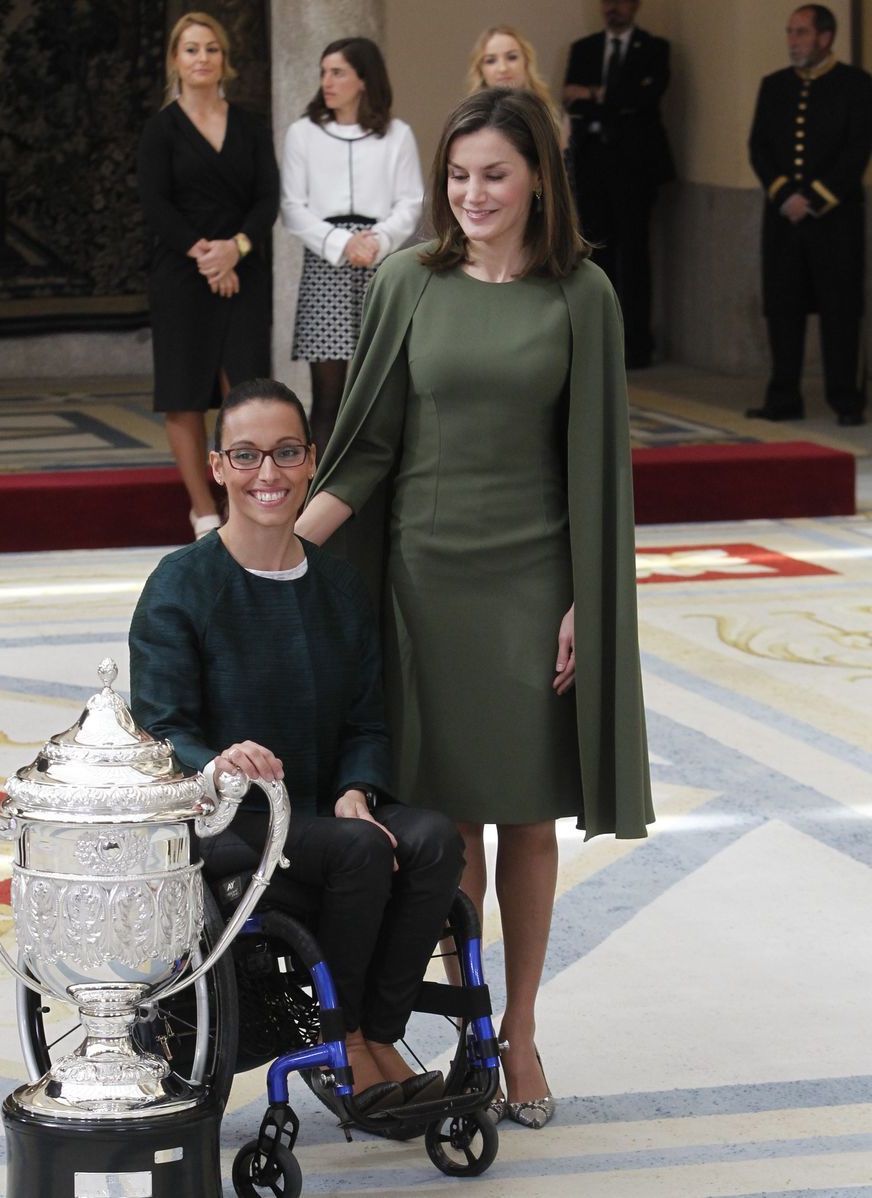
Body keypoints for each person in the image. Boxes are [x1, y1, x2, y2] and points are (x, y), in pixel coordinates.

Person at [296, 87, 653, 1130]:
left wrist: (588, 595)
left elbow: (598, 460)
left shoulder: (581, 294)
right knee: (447, 821)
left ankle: (523, 1025)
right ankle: (470, 1020)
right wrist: (267, 553)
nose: (473, 193)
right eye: (457, 177)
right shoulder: (408, 281)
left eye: (494, 173)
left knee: (529, 815)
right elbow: (365, 444)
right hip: (421, 579)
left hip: (534, 577)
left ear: (539, 175)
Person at [129, 378, 464, 1114]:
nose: (268, 474)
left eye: (285, 453)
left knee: (434, 838)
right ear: (217, 467)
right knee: (361, 851)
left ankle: (379, 1034)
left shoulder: (338, 589)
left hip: (322, 808)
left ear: (312, 460)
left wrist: (357, 787)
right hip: (231, 823)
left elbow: (367, 721)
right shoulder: (182, 585)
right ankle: (338, 1045)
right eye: (245, 456)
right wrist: (219, 762)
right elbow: (161, 726)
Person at [137, 12, 279, 538]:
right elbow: (154, 202)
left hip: (244, 270)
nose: (202, 58)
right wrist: (204, 254)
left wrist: (234, 250)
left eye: (211, 49)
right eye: (191, 49)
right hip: (180, 272)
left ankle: (241, 504)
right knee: (184, 391)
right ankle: (201, 510)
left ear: (226, 60)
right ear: (176, 59)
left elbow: (268, 198)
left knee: (245, 391)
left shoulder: (249, 126)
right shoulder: (160, 129)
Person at [281, 37, 423, 460]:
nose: (327, 81)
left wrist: (376, 242)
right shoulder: (303, 133)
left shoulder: (397, 135)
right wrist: (344, 244)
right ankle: (318, 498)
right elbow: (292, 207)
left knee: (383, 390)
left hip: (381, 267)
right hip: (327, 266)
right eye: (324, 72)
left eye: (338, 72)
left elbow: (411, 201)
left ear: (364, 79)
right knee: (328, 396)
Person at [746, 4, 871, 427]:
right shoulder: (774, 86)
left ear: (826, 37)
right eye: (790, 32)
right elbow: (758, 147)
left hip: (835, 220)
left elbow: (857, 151)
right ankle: (783, 397)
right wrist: (783, 195)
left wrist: (815, 198)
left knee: (840, 310)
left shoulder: (855, 85)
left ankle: (845, 400)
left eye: (801, 32)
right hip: (783, 218)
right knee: (783, 308)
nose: (793, 41)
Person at [562, 0, 674, 368]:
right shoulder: (585, 49)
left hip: (635, 169)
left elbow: (644, 99)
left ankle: (637, 344)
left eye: (621, 1)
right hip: (592, 166)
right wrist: (612, 101)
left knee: (635, 256)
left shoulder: (654, 49)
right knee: (598, 255)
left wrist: (596, 95)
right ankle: (600, 340)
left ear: (635, 6)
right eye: (607, 1)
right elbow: (570, 99)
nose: (613, 8)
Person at [467, 25, 570, 153]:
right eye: (491, 60)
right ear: (480, 69)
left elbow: (564, 169)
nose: (503, 68)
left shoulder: (554, 117)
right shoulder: (469, 121)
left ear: (526, 62)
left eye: (512, 57)